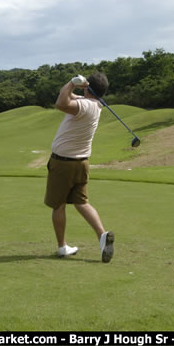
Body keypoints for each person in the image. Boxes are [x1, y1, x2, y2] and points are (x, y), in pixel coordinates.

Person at [44, 72, 115, 263]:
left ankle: (62, 247)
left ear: (88, 87)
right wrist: (82, 87)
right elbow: (71, 97)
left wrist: (71, 83)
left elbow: (61, 103)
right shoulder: (97, 106)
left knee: (58, 205)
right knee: (82, 203)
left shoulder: (83, 106)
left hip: (63, 163)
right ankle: (102, 236)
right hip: (82, 163)